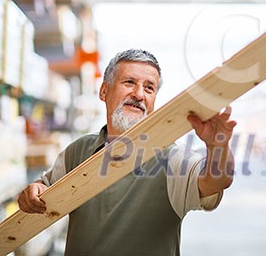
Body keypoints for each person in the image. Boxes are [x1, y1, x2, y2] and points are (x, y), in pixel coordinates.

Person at [17, 49, 237, 256]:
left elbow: (216, 181)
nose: (139, 94)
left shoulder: (172, 159)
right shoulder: (78, 151)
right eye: (129, 82)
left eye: (149, 88)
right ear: (104, 91)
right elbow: (44, 191)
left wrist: (218, 145)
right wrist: (34, 190)